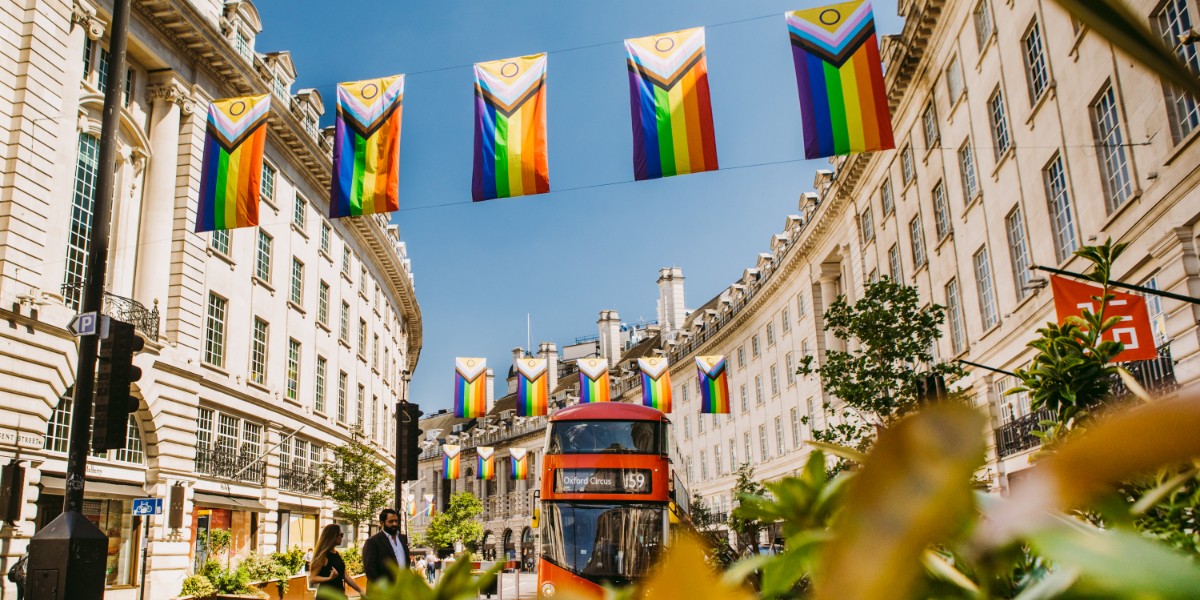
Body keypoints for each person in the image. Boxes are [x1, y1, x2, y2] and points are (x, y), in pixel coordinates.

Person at [308, 524, 364, 600]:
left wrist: (360, 590)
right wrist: (329, 578)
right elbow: (312, 578)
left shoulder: (336, 553)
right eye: (340, 535)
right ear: (333, 536)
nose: (342, 537)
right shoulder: (323, 556)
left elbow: (345, 576)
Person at [362, 508, 410, 585]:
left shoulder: (403, 538)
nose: (394, 524)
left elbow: (406, 562)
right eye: (391, 521)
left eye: (396, 521)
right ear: (382, 523)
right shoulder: (373, 541)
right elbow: (370, 570)